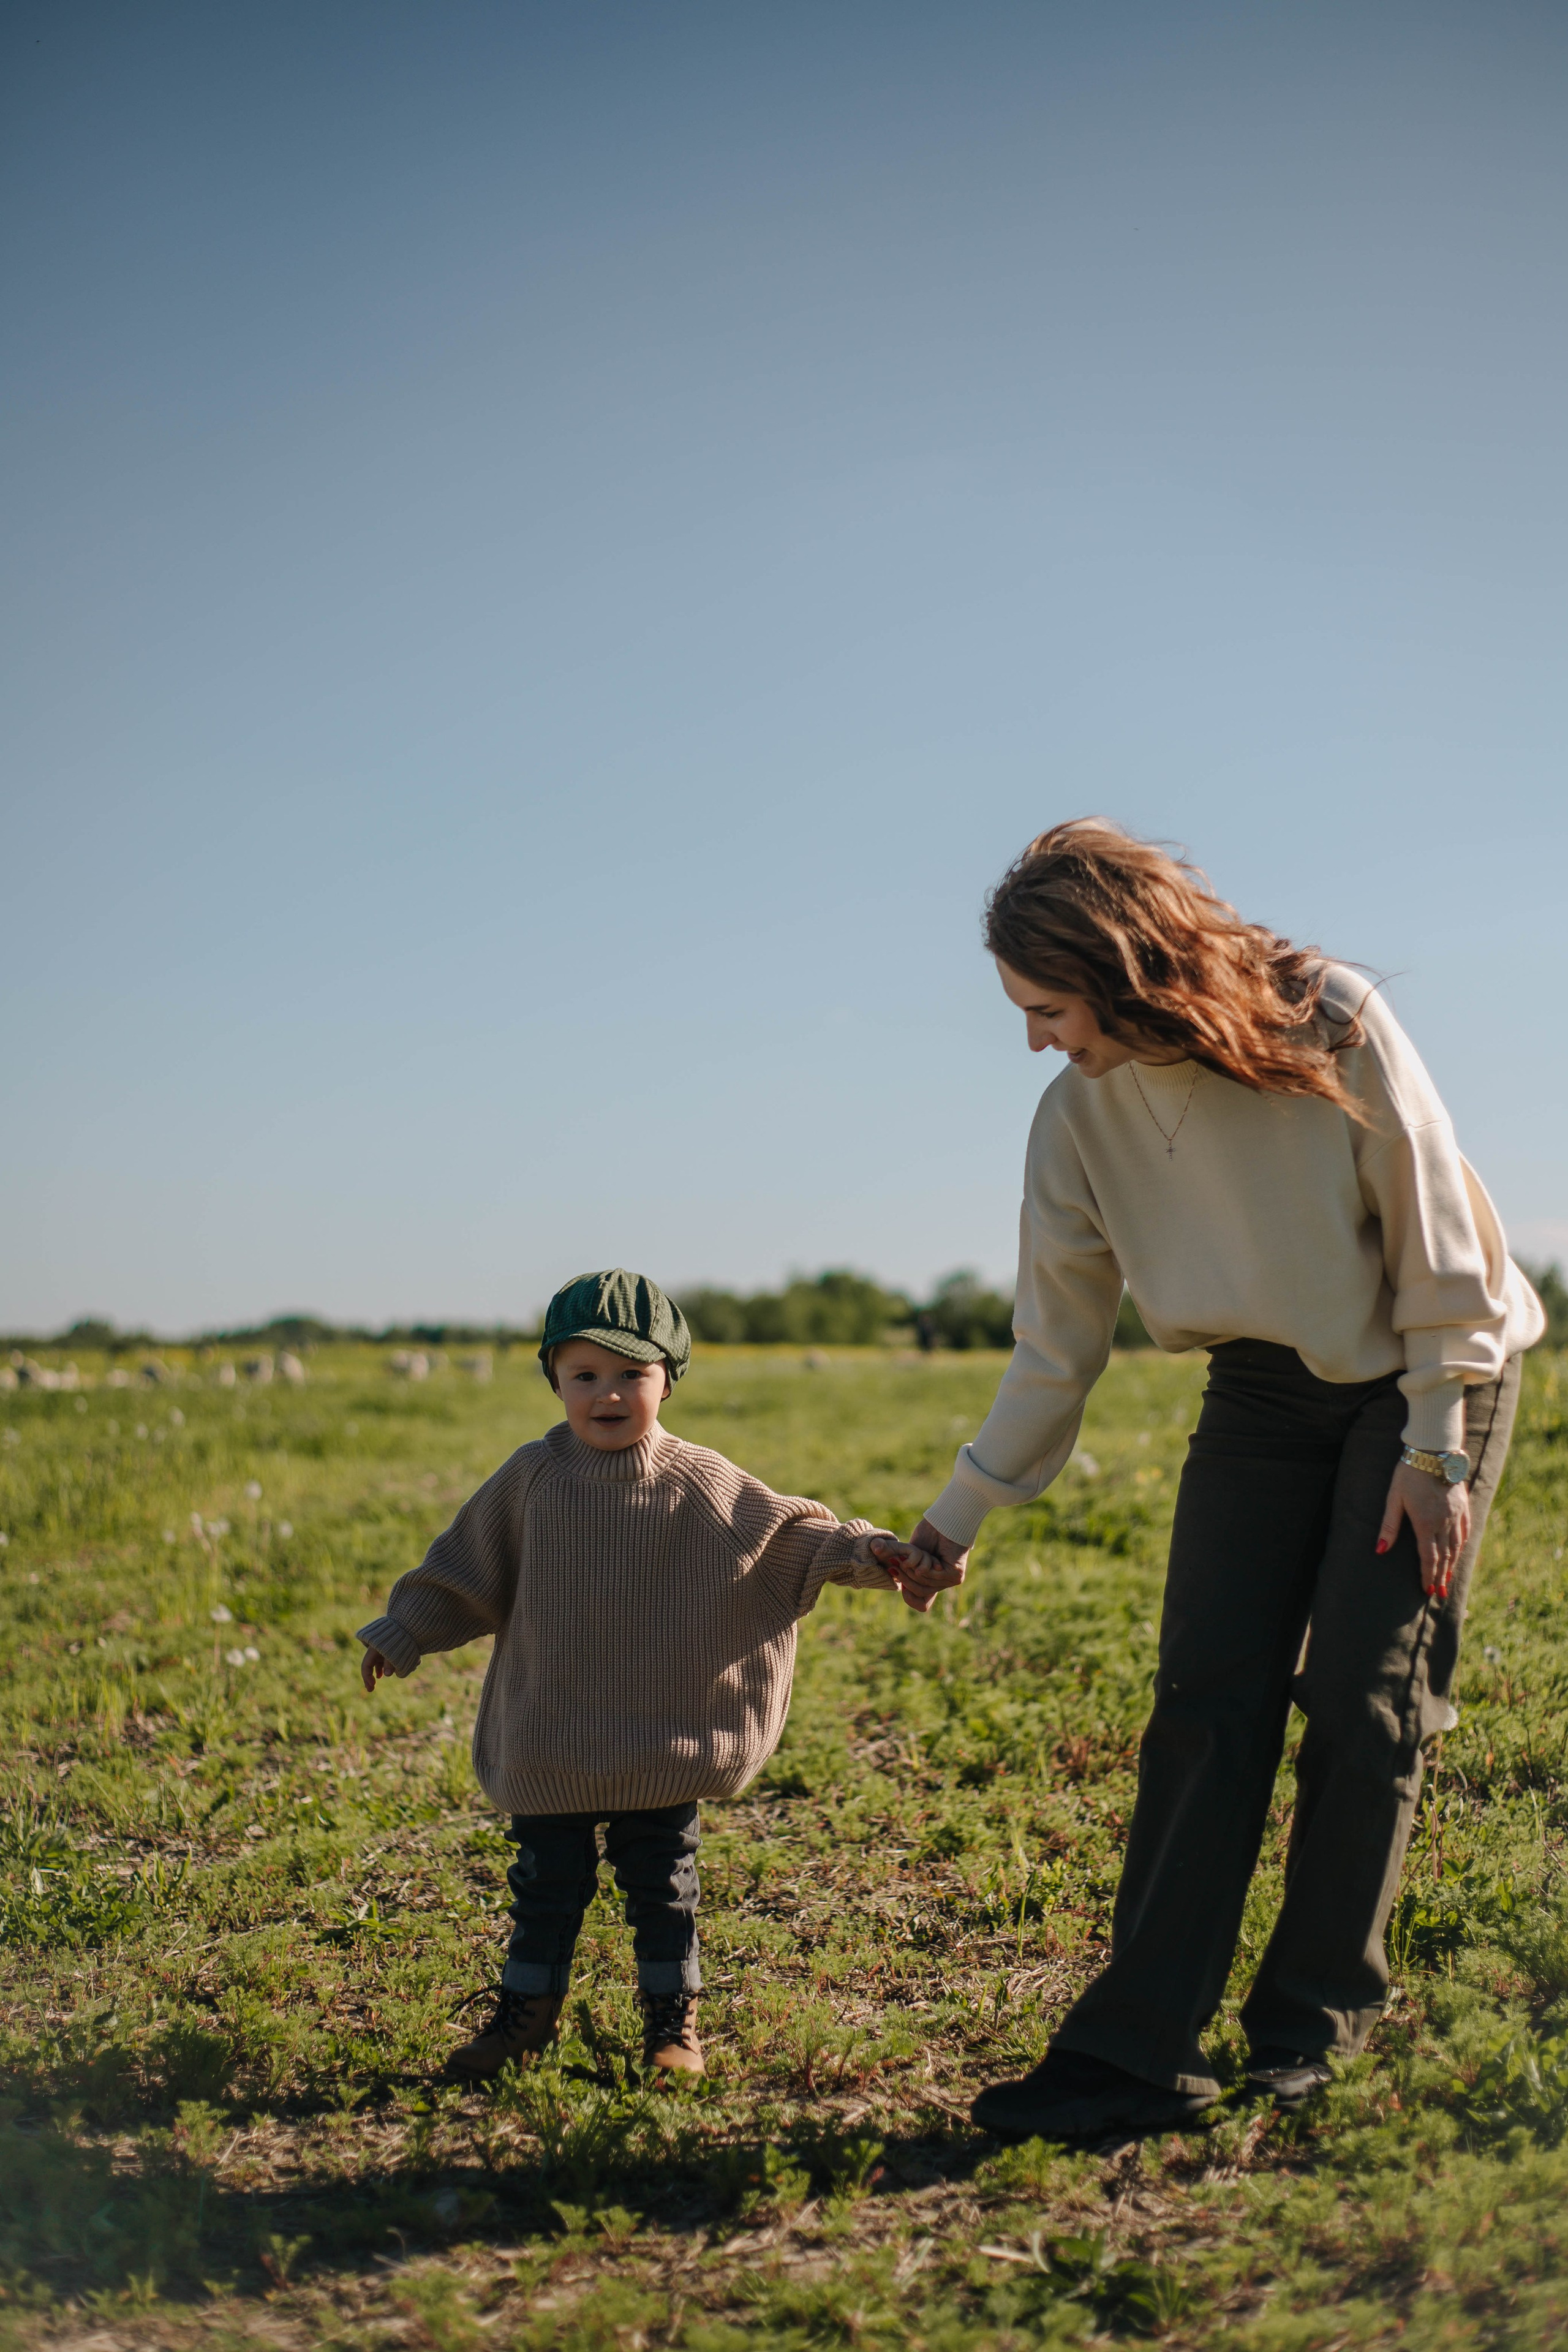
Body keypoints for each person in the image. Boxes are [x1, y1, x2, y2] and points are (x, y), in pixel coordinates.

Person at [899, 821, 1544, 2141]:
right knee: (1205, 1698)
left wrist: (1431, 1445)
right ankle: (1136, 2055)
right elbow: (1052, 1353)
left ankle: (1310, 2027)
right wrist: (951, 1522)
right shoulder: (1075, 1118)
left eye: (1044, 1007)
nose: (1031, 1039)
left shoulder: (1329, 1017)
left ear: (1120, 967)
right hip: (1255, 1389)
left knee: (1364, 1700)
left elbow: (1438, 1250)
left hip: (1427, 1371)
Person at [358, 1267, 951, 2082]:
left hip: (661, 1735)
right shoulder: (532, 1479)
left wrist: (868, 1551)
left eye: (632, 1374)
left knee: (663, 1888)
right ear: (555, 1381)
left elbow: (791, 1539)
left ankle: (673, 2026)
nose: (608, 1394)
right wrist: (406, 1630)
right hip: (554, 1736)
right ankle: (525, 2018)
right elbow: (466, 1568)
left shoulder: (702, 1482)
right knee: (545, 1886)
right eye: (585, 1376)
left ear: (668, 1380)